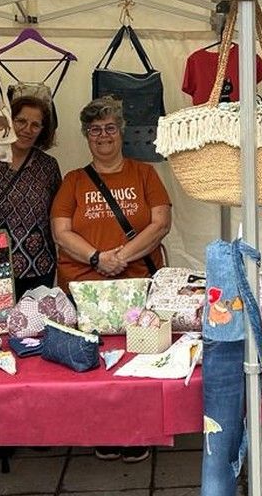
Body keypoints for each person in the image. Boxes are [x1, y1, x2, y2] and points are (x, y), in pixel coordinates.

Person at [51, 97, 172, 464]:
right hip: (85, 288)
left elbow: (161, 222)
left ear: (121, 132)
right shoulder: (73, 181)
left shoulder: (144, 174)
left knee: (140, 359)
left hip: (137, 283)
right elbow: (60, 231)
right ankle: (103, 428)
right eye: (94, 130)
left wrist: (121, 257)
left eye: (109, 128)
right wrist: (96, 258)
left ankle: (138, 429)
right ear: (87, 136)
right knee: (95, 362)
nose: (102, 136)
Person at [0, 94, 63, 296]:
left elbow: (57, 214)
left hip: (40, 266)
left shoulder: (48, 166)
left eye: (36, 125)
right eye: (21, 121)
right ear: (9, 121)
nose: (27, 129)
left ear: (43, 131)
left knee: (35, 326)